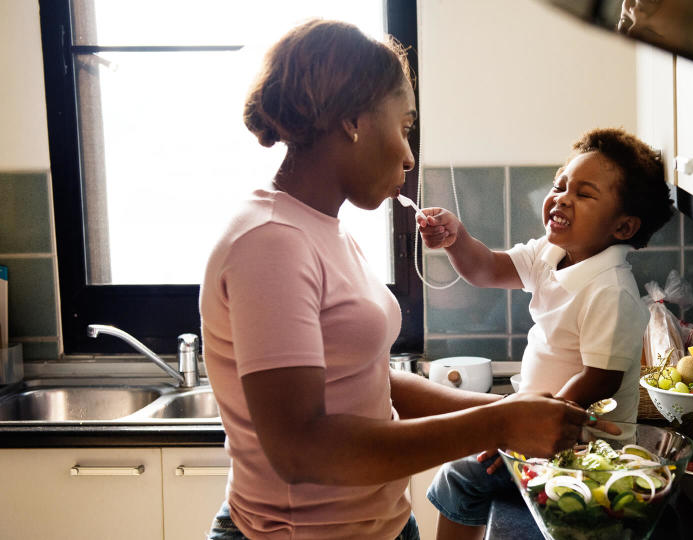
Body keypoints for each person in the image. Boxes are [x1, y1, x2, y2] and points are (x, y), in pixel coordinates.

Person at [200, 19, 597, 540]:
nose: (409, 155)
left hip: (381, 525)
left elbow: (372, 381)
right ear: (351, 121)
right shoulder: (270, 241)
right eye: (404, 126)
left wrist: (509, 413)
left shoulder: (324, 230)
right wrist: (497, 425)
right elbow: (301, 448)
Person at [417, 127, 675, 540]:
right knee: (464, 474)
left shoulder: (610, 290)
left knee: (459, 478)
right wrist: (456, 239)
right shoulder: (550, 252)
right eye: (561, 185)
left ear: (623, 227)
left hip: (581, 449)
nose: (562, 197)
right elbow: (488, 268)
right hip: (537, 427)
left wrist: (521, 429)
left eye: (585, 194)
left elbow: (600, 379)